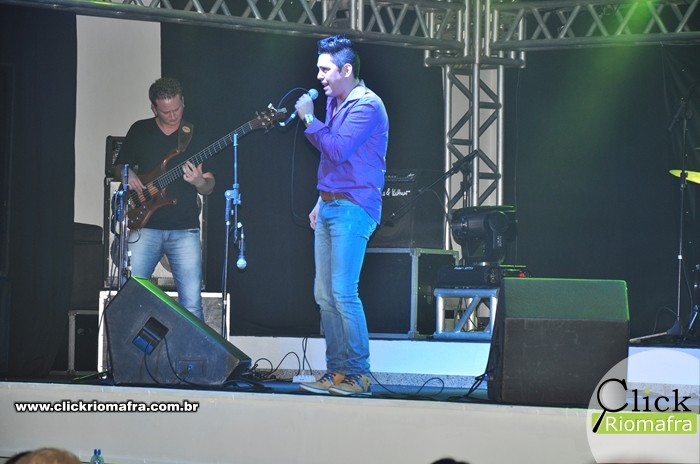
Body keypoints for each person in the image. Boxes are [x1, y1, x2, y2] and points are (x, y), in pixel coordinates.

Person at [294, 35, 389, 396]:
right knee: (323, 294)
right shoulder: (336, 102)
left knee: (343, 292)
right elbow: (333, 162)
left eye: (325, 69)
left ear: (346, 69)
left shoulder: (367, 105)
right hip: (332, 203)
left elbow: (336, 148)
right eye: (318, 69)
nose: (319, 76)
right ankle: (336, 371)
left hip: (354, 206)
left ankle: (359, 375)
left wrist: (308, 118)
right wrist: (321, 198)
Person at [114, 77, 215, 321]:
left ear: (183, 102)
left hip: (184, 228)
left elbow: (209, 186)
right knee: (131, 298)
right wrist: (128, 175)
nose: (173, 116)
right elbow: (119, 166)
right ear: (154, 108)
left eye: (177, 109)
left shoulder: (196, 134)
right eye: (166, 112)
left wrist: (198, 182)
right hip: (144, 226)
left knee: (192, 305)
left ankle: (190, 348)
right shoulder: (140, 130)